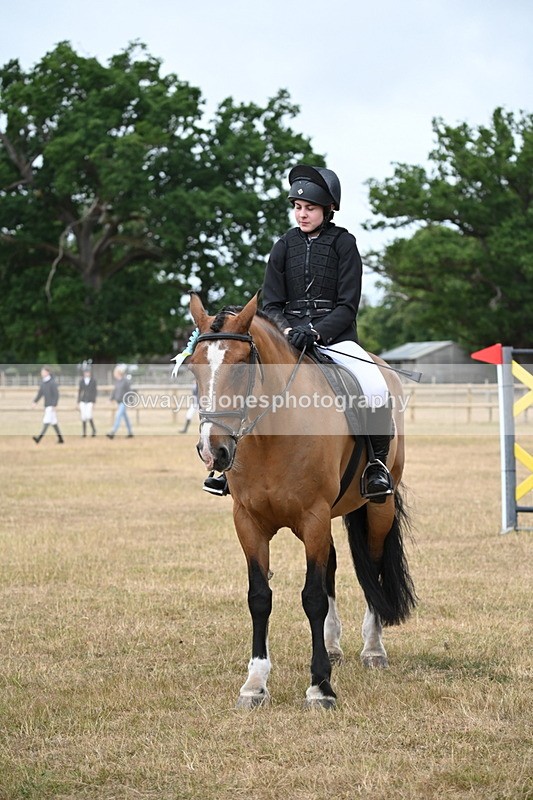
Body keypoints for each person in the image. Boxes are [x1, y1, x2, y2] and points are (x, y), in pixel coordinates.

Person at [204, 164, 393, 502]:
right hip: (288, 338)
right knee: (247, 386)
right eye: (298, 207)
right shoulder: (284, 246)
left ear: (329, 209)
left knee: (375, 386)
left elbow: (347, 306)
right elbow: (271, 304)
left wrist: (316, 332)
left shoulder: (344, 244)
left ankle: (375, 466)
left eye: (310, 208)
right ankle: (230, 471)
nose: (302, 214)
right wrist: (288, 329)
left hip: (336, 338)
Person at [31, 366, 64, 444]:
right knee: (54, 423)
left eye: (43, 372)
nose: (42, 373)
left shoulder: (52, 382)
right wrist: (35, 402)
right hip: (47, 405)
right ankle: (61, 439)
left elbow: (56, 394)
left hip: (51, 406)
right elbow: (40, 393)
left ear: (47, 372)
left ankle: (38, 438)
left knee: (46, 421)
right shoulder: (43, 383)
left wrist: (54, 404)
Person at [106, 365, 134, 439]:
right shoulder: (117, 382)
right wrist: (111, 399)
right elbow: (115, 391)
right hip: (119, 402)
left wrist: (131, 402)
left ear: (118, 373)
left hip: (124, 402)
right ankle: (130, 432)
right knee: (125, 417)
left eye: (115, 372)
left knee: (118, 416)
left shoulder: (125, 381)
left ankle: (113, 432)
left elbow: (130, 392)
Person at [77, 366, 97, 437]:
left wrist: (94, 401)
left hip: (90, 400)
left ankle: (94, 430)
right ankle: (84, 432)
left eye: (88, 372)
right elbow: (80, 391)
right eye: (85, 372)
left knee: (88, 415)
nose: (87, 373)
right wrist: (78, 401)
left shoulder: (93, 381)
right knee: (83, 416)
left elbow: (95, 392)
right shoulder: (81, 381)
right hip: (83, 400)